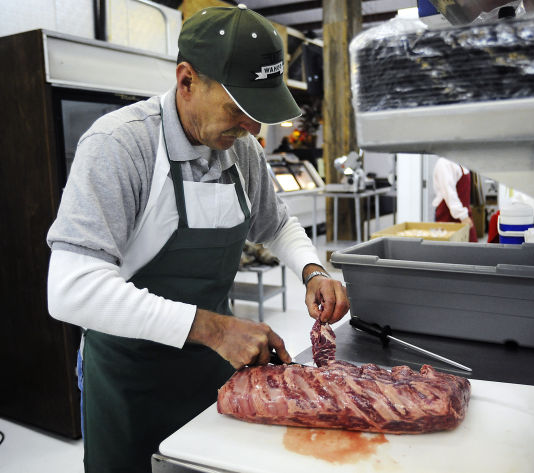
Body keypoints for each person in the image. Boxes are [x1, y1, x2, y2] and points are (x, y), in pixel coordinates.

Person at [46, 6, 349, 472]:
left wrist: (313, 269)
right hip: (129, 381)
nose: (253, 128)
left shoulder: (240, 150)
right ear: (186, 81)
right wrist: (214, 327)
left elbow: (276, 223)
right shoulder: (120, 146)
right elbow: (70, 289)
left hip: (210, 369)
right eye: (239, 109)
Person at [432, 157, 478, 242]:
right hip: (449, 217)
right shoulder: (445, 163)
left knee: (471, 250)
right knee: (449, 252)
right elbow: (449, 193)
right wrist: (462, 216)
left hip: (463, 215)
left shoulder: (461, 162)